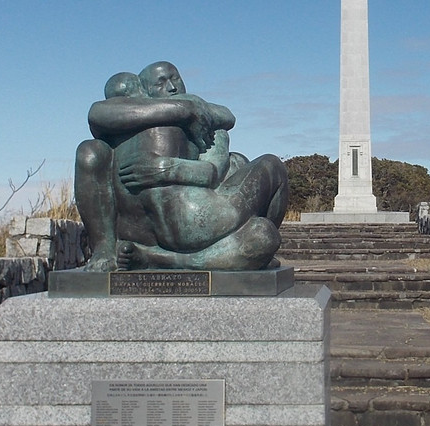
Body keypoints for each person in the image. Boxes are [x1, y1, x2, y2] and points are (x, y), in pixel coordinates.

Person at [75, 61, 288, 271]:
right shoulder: (192, 119)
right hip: (188, 220)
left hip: (158, 225)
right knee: (271, 167)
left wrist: (164, 168)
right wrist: (188, 109)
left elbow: (213, 169)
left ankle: (154, 258)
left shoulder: (118, 129)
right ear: (144, 91)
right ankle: (117, 251)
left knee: (238, 165)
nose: (172, 87)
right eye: (161, 83)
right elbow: (213, 171)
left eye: (175, 78)